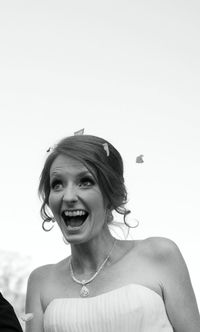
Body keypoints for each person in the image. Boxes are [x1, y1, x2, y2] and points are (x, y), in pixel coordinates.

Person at [25, 134, 200, 332]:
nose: (68, 196)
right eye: (57, 184)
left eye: (85, 181)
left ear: (110, 194)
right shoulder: (40, 281)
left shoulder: (160, 254)